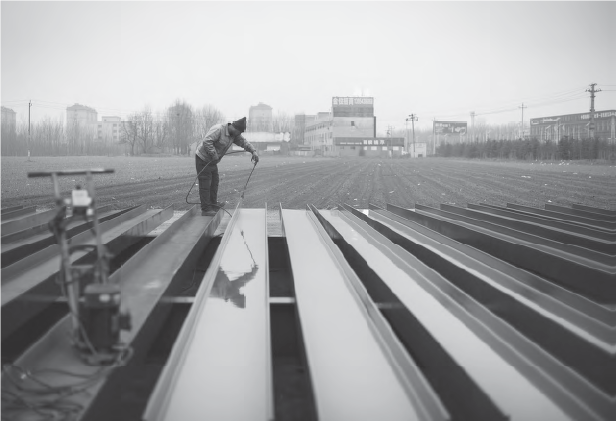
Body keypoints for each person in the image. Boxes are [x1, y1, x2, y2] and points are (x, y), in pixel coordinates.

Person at [195, 117, 259, 216]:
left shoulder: (234, 135)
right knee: (205, 184)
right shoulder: (219, 129)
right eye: (239, 132)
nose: (239, 135)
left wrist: (253, 151)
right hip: (203, 159)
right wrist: (213, 154)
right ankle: (206, 209)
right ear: (234, 127)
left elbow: (244, 142)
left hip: (212, 161)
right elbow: (207, 141)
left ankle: (213, 204)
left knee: (214, 182)